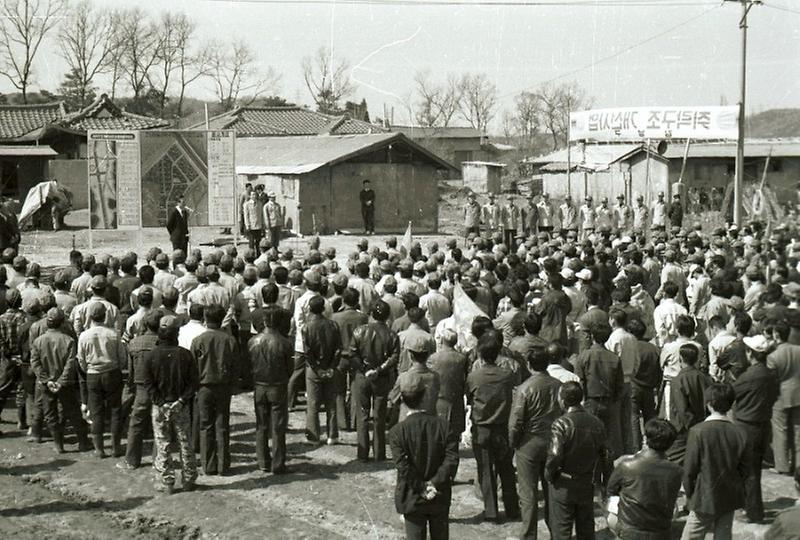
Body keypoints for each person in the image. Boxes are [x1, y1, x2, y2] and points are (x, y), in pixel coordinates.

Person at [389, 371, 460, 540]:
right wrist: (433, 484)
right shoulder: (443, 426)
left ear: (402, 400)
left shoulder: (397, 432)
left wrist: (421, 487)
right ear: (424, 396)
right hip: (439, 495)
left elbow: (403, 466)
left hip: (412, 496)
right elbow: (452, 459)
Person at [681, 383, 748, 540]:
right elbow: (745, 470)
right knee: (724, 535)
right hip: (729, 496)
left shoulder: (698, 431)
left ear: (709, 404)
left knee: (691, 535)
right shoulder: (740, 432)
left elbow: (689, 470)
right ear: (731, 404)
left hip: (703, 498)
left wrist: (690, 495)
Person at [467, 330, 520, 523]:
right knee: (506, 469)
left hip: (482, 428)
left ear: (480, 353)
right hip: (503, 428)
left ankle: (491, 511)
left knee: (486, 471)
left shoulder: (474, 376)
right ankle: (513, 509)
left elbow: (470, 398)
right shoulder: (508, 375)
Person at [509, 347, 562, 539]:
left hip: (529, 443)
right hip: (553, 443)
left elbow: (516, 421)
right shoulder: (559, 386)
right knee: (552, 492)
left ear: (529, 365)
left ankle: (529, 535)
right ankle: (556, 533)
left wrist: (514, 444)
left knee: (528, 492)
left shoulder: (524, 389)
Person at [545, 381, 609, 540]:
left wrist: (550, 474)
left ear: (562, 400)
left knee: (562, 529)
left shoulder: (561, 424)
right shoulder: (596, 423)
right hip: (586, 482)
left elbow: (555, 455)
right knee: (586, 527)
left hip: (564, 482)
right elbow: (606, 455)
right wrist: (604, 482)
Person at [143, 318, 199, 494]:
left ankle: (168, 483)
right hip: (181, 406)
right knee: (185, 442)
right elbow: (193, 382)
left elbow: (148, 383)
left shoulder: (151, 356)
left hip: (160, 408)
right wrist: (181, 401)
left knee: (162, 443)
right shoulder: (185, 355)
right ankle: (189, 480)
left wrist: (161, 403)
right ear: (177, 334)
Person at [606, 419, 683, 540]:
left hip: (629, 531)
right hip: (661, 532)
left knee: (611, 510)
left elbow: (611, 490)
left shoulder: (626, 465)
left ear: (646, 439)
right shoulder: (677, 471)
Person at [30, 307, 90, 453]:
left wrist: (46, 380)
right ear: (62, 322)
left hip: (46, 385)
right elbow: (70, 364)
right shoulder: (68, 341)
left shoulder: (38, 341)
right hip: (66, 384)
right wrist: (61, 381)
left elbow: (35, 363)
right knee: (74, 412)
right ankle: (83, 442)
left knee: (50, 414)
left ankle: (59, 445)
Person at [733, 334, 779, 523]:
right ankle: (752, 506)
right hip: (762, 424)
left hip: (747, 426)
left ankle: (753, 511)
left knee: (748, 472)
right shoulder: (771, 375)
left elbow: (731, 394)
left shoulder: (748, 376)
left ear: (750, 353)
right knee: (755, 470)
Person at [190, 304, 237, 476]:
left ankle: (208, 465)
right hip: (223, 387)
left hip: (204, 387)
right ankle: (223, 465)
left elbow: (193, 367)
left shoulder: (198, 340)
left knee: (205, 425)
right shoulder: (229, 340)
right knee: (222, 424)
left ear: (205, 319)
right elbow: (235, 366)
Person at [350, 300, 399, 461]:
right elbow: (394, 357)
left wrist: (366, 370)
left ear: (371, 313)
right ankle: (379, 453)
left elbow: (353, 354)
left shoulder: (359, 331)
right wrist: (378, 370)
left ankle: (362, 453)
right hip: (381, 378)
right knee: (379, 415)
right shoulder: (392, 334)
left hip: (362, 377)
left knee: (362, 414)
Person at [76, 302, 126, 458]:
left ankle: (99, 449)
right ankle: (116, 447)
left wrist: (90, 370)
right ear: (105, 316)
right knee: (115, 410)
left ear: (90, 317)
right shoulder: (113, 334)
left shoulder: (84, 336)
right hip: (112, 373)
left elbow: (81, 360)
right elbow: (122, 358)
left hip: (93, 375)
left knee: (96, 412)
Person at [249, 304, 294, 474]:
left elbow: (249, 366)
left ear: (264, 320)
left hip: (260, 386)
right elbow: (290, 368)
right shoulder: (285, 343)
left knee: (261, 425)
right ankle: (278, 463)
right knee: (278, 427)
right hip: (278, 386)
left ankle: (263, 461)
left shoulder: (253, 341)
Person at [574, 322, 624, 458]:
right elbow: (620, 385)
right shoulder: (615, 358)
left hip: (590, 401)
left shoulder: (584, 356)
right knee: (608, 441)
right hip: (609, 402)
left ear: (591, 336)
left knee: (590, 440)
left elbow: (579, 381)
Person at [119, 310, 161, 469]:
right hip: (159, 387)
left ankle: (131, 460)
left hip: (141, 386)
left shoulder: (134, 343)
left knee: (136, 423)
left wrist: (130, 387)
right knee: (160, 423)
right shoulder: (163, 342)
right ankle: (158, 459)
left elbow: (130, 372)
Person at [302, 295, 341, 445]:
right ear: (323, 308)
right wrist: (331, 367)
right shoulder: (333, 325)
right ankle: (333, 435)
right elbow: (338, 349)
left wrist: (317, 369)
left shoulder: (306, 327)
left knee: (313, 403)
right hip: (330, 366)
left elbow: (307, 352)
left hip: (313, 369)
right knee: (331, 402)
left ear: (310, 309)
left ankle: (314, 436)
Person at [667, 344, 711, 465]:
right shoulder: (705, 378)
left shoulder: (678, 380)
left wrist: (691, 426)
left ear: (680, 359)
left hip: (683, 430)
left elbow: (682, 409)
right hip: (702, 424)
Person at [768, 320, 800, 479]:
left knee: (780, 431)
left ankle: (782, 465)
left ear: (776, 335)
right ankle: (798, 466)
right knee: (798, 431)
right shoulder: (798, 350)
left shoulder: (773, 356)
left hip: (780, 396)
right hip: (798, 395)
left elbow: (771, 379)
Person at [428, 328, 468, 441]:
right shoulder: (462, 358)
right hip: (456, 400)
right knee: (453, 437)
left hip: (438, 400)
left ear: (441, 340)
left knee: (437, 436)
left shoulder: (433, 358)